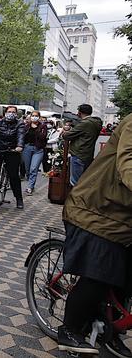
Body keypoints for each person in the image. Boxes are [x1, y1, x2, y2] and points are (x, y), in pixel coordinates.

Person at [57, 113, 132, 356]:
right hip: (97, 210)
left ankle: (109, 330)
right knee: (100, 274)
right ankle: (69, 330)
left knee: (126, 277)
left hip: (124, 215)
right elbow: (128, 162)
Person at [62, 104, 102, 187]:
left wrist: (66, 131)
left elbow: (67, 136)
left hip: (78, 155)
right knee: (84, 182)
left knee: (75, 183)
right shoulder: (96, 123)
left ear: (79, 112)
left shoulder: (85, 123)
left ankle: (75, 199)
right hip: (88, 155)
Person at [21, 110, 48, 195]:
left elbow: (43, 137)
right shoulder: (26, 126)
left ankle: (30, 187)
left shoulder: (43, 126)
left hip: (38, 149)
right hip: (27, 148)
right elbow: (22, 136)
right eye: (32, 115)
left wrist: (36, 129)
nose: (34, 117)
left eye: (36, 116)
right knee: (28, 169)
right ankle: (30, 181)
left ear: (39, 117)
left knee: (34, 168)